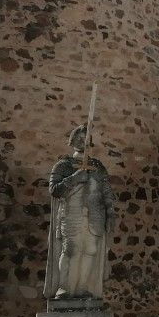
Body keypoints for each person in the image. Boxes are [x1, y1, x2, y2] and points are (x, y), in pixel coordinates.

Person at [45, 125, 116, 300]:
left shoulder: (98, 167)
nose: (83, 141)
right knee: (71, 250)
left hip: (95, 215)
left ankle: (83, 288)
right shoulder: (63, 165)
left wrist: (111, 213)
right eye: (80, 137)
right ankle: (64, 288)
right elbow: (54, 189)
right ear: (73, 140)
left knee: (90, 250)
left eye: (86, 138)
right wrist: (74, 178)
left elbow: (106, 192)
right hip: (72, 213)